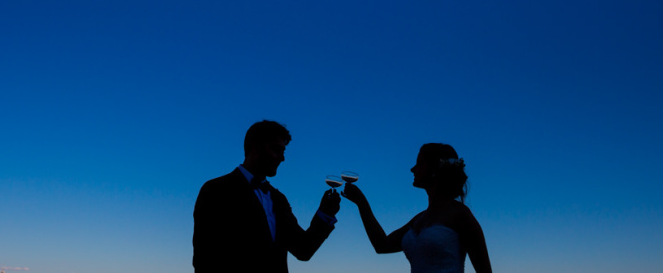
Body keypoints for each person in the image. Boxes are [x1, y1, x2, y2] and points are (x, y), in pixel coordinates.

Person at [193, 120, 341, 273]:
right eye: (276, 150)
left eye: (283, 152)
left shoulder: (279, 200)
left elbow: (303, 250)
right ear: (254, 146)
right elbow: (204, 259)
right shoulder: (216, 190)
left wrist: (325, 213)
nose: (282, 158)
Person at [342, 143, 492, 273]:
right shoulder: (420, 218)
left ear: (435, 170)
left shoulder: (460, 214)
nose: (412, 169)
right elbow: (382, 245)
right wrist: (361, 203)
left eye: (420, 163)